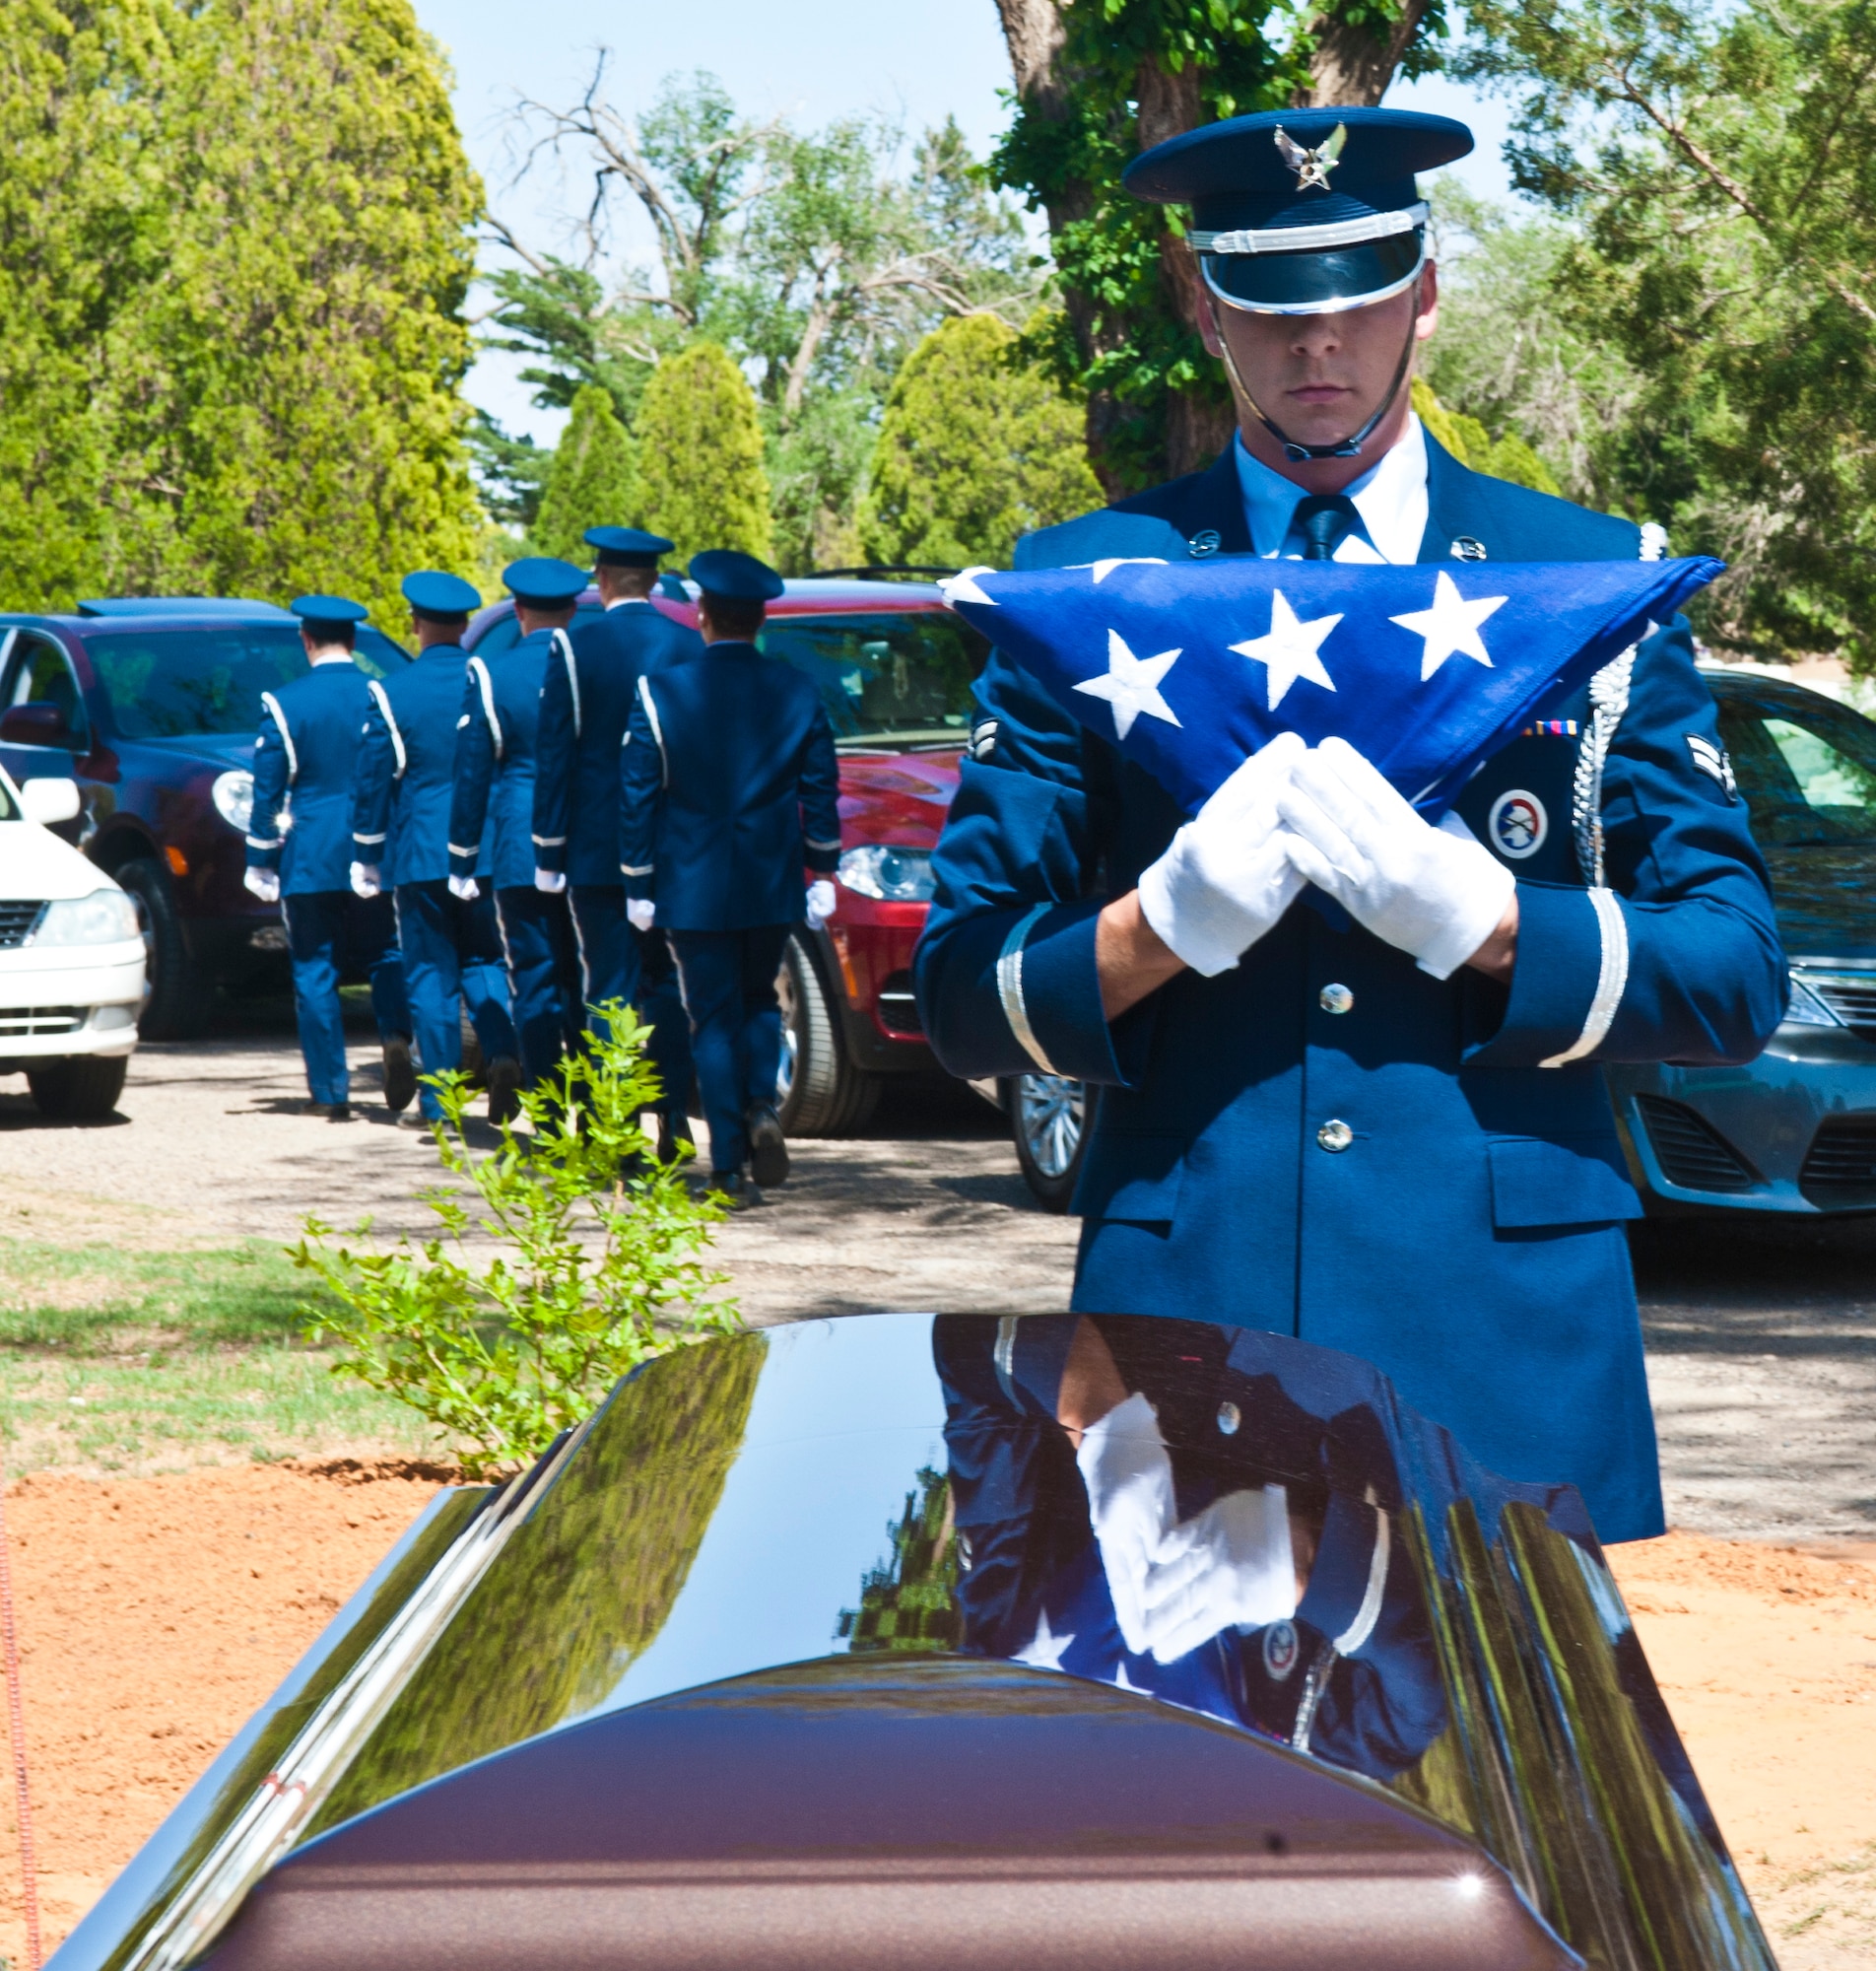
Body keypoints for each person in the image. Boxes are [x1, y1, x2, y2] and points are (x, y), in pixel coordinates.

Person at [912, 105, 1786, 1545]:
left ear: (1427, 291)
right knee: (1193, 1771)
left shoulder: (1587, 581)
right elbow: (961, 995)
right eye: (1268, 305)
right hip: (1187, 1319)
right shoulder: (1089, 591)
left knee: (1509, 1771)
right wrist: (1155, 930)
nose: (1318, 347)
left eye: (1363, 297)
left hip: (1498, 1338)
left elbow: (1736, 974)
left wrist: (1489, 924)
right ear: (1202, 303)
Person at [620, 550, 842, 1200]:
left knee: (711, 1020)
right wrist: (822, 865)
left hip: (688, 882)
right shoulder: (798, 690)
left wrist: (637, 880)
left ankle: (727, 1169)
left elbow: (638, 796)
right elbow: (820, 788)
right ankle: (761, 1110)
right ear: (760, 619)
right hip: (770, 878)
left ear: (703, 615)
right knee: (759, 1004)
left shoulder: (661, 691)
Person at [533, 525, 704, 1155]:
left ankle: (619, 1129)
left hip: (598, 847)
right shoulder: (688, 644)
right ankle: (676, 1120)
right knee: (666, 984)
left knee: (609, 984)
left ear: (600, 579)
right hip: (675, 845)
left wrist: (548, 850)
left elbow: (557, 756)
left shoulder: (575, 648)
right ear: (655, 582)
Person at [351, 571, 522, 1129]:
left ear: (415, 626)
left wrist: (367, 852)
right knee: (484, 957)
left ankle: (440, 1102)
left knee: (429, 971)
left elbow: (376, 779)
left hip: (421, 847)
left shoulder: (390, 690)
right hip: (486, 849)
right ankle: (500, 1053)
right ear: (467, 623)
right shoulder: (490, 677)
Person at [243, 594, 415, 1121]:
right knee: (387, 952)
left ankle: (332, 1091)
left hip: (313, 851)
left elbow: (269, 791)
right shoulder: (380, 694)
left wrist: (260, 858)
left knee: (314, 969)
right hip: (376, 845)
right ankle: (396, 1037)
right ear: (356, 642)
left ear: (306, 640)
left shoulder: (284, 702)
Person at [447, 558, 585, 1093]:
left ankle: (550, 1109)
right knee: (588, 975)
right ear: (574, 610)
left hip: (518, 844)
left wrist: (462, 857)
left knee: (534, 975)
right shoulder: (588, 666)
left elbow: (473, 772)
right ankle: (599, 1108)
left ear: (519, 611)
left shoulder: (492, 672)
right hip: (586, 839)